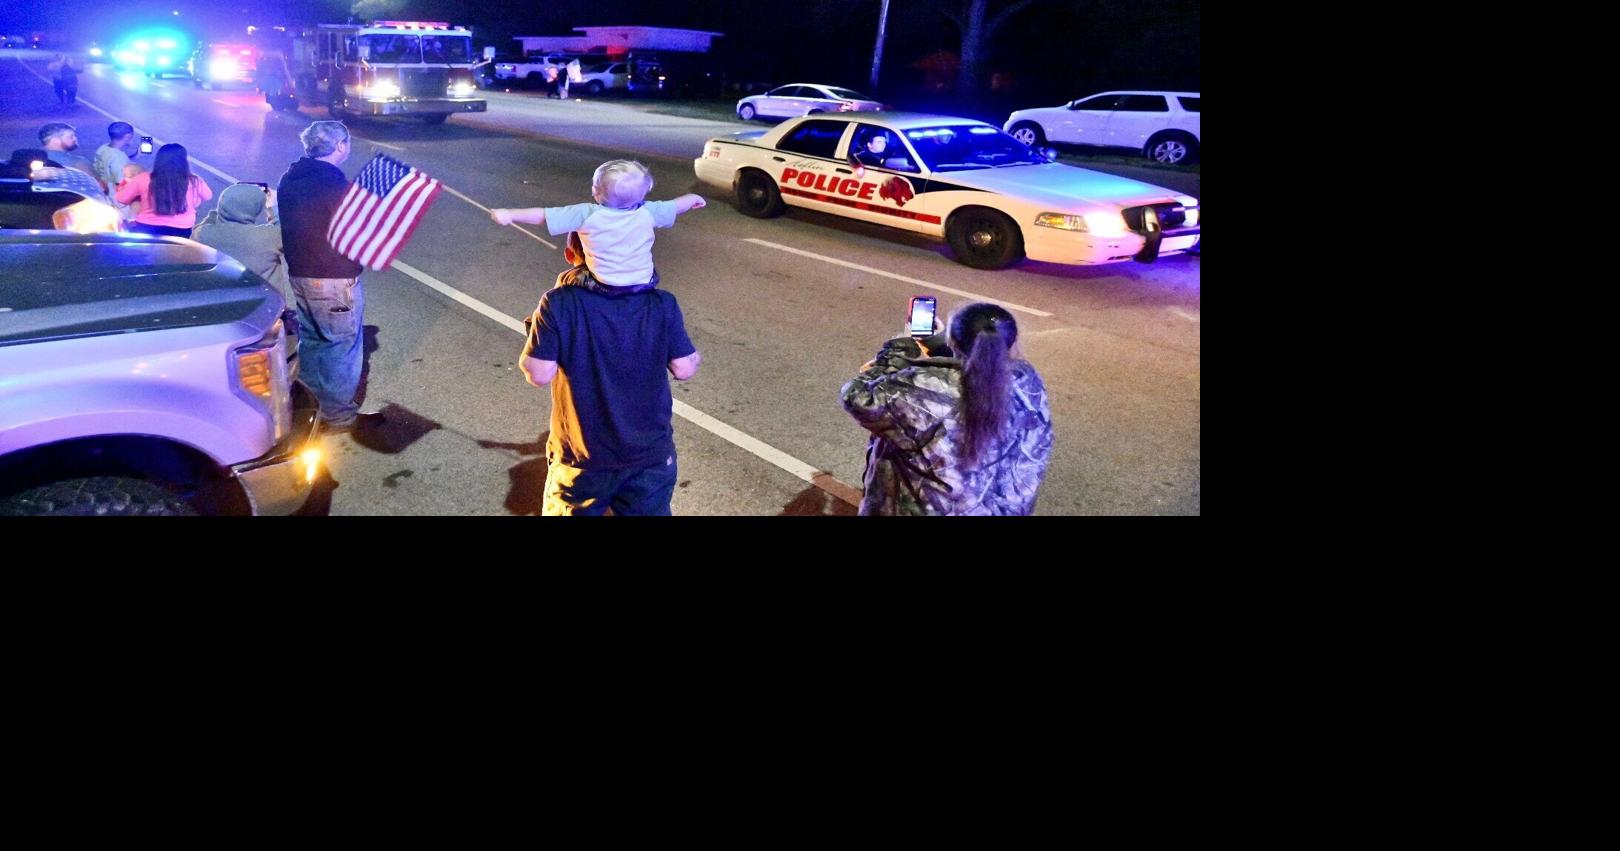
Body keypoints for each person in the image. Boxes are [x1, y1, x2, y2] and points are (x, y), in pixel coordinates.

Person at [516, 255, 702, 516]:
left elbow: (538, 374)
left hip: (583, 458)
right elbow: (685, 367)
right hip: (650, 456)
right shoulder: (661, 303)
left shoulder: (560, 302)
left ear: (572, 253)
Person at [840, 302, 1054, 515]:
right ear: (1011, 341)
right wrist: (939, 346)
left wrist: (899, 348)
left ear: (954, 340)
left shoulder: (923, 387)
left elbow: (857, 397)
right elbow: (978, 371)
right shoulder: (1027, 380)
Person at [276, 120, 370, 433]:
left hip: (301, 273)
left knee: (313, 341)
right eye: (348, 143)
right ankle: (339, 415)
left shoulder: (291, 177)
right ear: (339, 145)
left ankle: (308, 402)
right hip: (332, 276)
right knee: (341, 346)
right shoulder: (334, 185)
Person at [489, 160, 705, 291]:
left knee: (568, 281)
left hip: (602, 283)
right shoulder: (648, 211)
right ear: (643, 193)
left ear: (595, 192)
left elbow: (543, 216)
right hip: (643, 281)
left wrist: (509, 214)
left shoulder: (587, 213)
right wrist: (694, 197)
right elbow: (677, 205)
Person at [192, 182, 289, 300]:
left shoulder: (203, 234)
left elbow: (207, 222)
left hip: (218, 299)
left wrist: (224, 208)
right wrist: (272, 208)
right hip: (263, 303)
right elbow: (286, 231)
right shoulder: (267, 237)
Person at [116, 143, 212, 237]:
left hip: (147, 227)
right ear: (184, 161)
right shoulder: (194, 180)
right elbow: (208, 196)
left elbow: (121, 198)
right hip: (182, 229)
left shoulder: (143, 178)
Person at [93, 121, 142, 205]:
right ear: (127, 136)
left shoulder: (103, 148)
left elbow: (110, 162)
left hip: (102, 192)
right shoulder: (119, 158)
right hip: (115, 201)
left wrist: (135, 156)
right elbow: (121, 183)